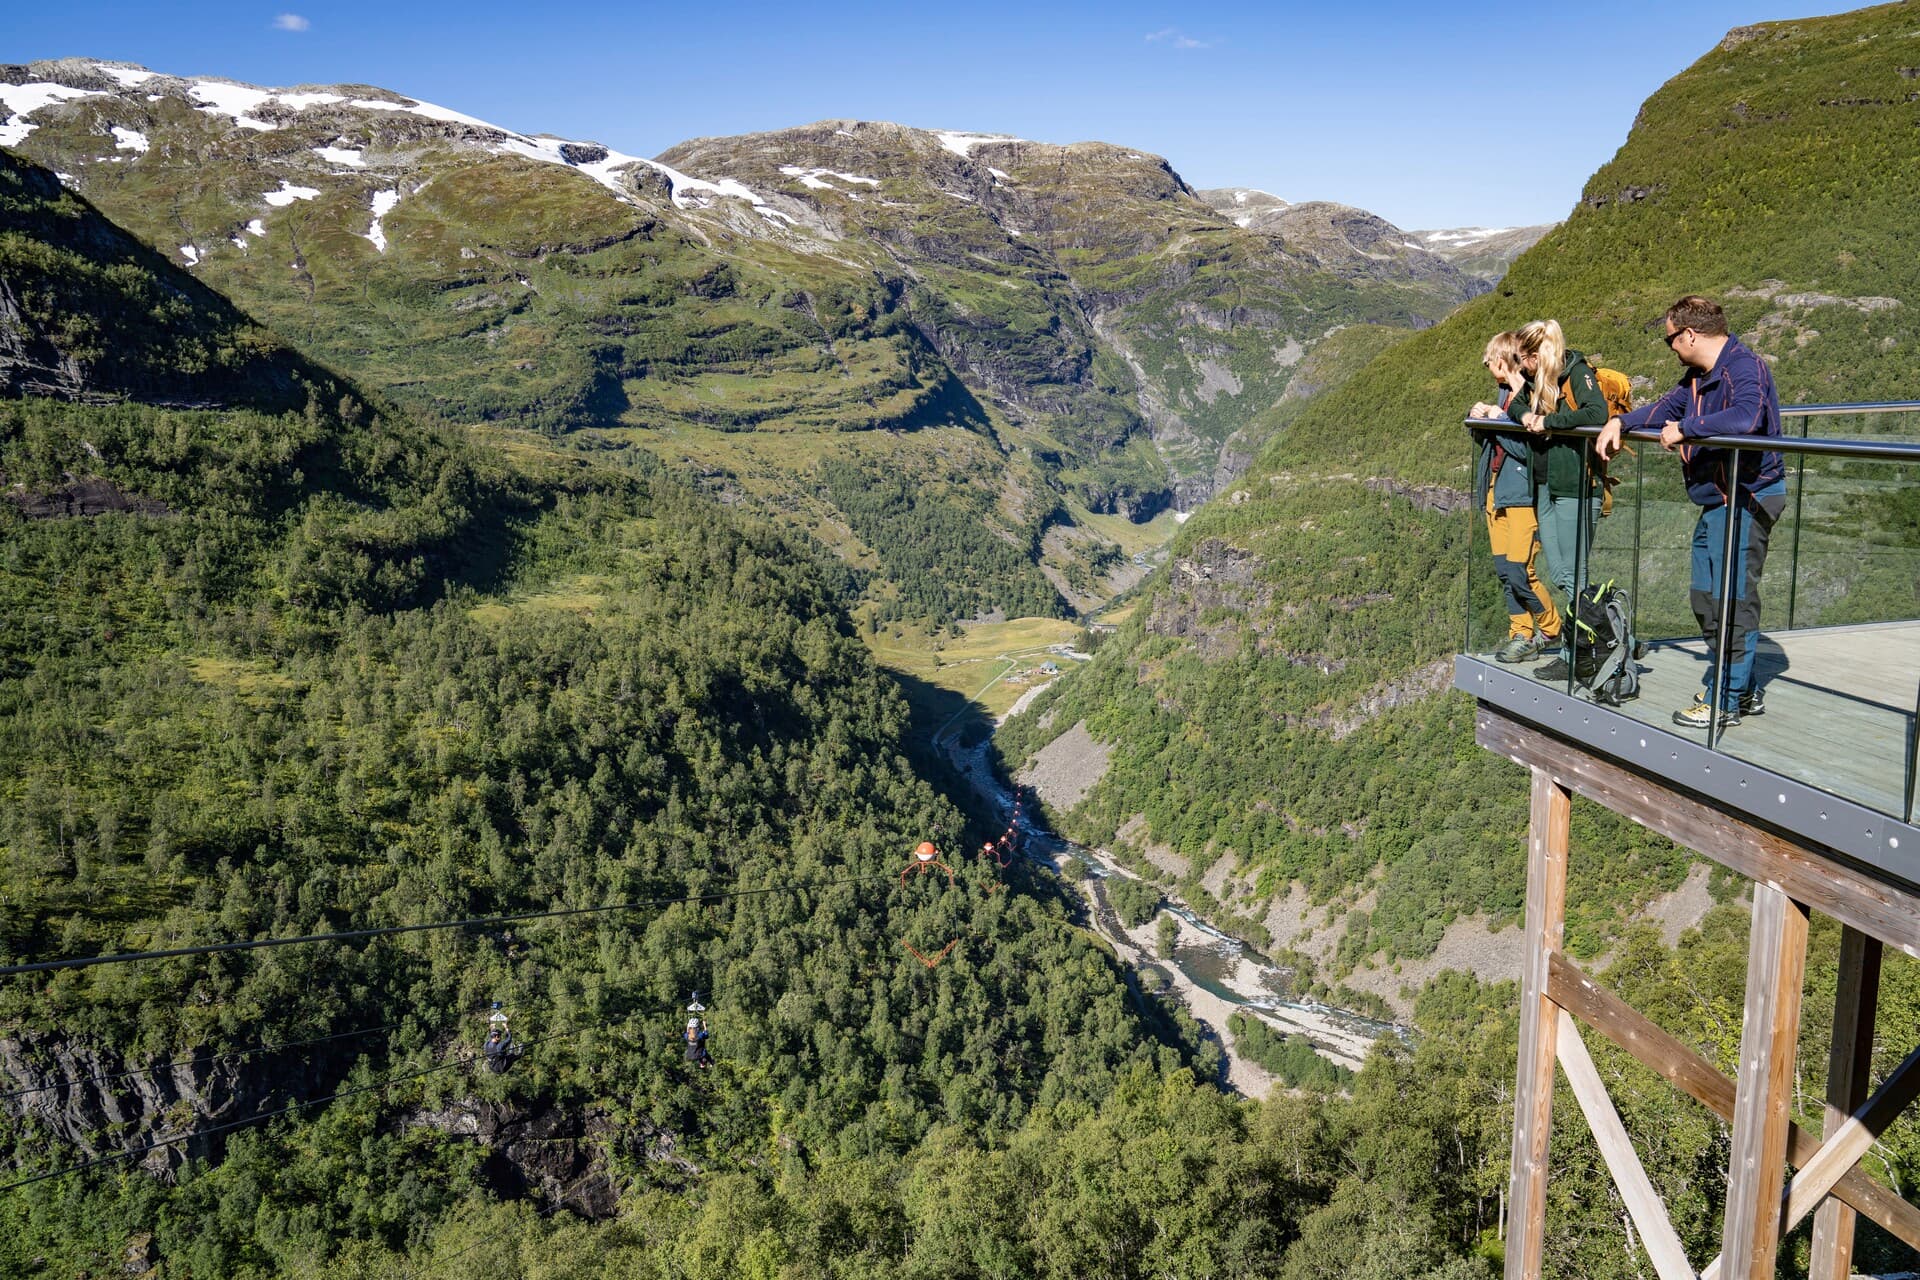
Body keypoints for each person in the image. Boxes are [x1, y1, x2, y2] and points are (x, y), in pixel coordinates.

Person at [1596, 295, 1783, 728]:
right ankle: (1744, 687)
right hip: (1716, 501)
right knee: (1706, 598)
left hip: (1746, 498)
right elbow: (1662, 409)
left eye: (1670, 340)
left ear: (1690, 334)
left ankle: (1725, 701)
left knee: (1732, 601)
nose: (1671, 348)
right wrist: (1621, 422)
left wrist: (1687, 430)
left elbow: (1746, 418)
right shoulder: (1697, 378)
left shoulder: (1744, 368)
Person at [1504, 320, 1610, 679]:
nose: (1521, 367)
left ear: (1539, 354)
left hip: (1576, 485)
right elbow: (1514, 406)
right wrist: (1528, 415)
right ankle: (1600, 639)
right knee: (1561, 571)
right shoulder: (1537, 382)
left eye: (1524, 359)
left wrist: (1550, 422)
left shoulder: (1577, 373)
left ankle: (1580, 650)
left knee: (1574, 572)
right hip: (1545, 484)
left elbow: (1598, 414)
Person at [1471, 332, 1561, 662]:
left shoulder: (1531, 397)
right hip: (1497, 491)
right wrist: (1482, 419)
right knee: (1504, 570)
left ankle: (1551, 628)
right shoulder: (1504, 396)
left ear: (1502, 360)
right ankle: (1520, 633)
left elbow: (1529, 451)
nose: (1486, 365)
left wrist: (1499, 422)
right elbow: (1493, 444)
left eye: (1488, 360)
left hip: (1522, 497)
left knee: (1521, 571)